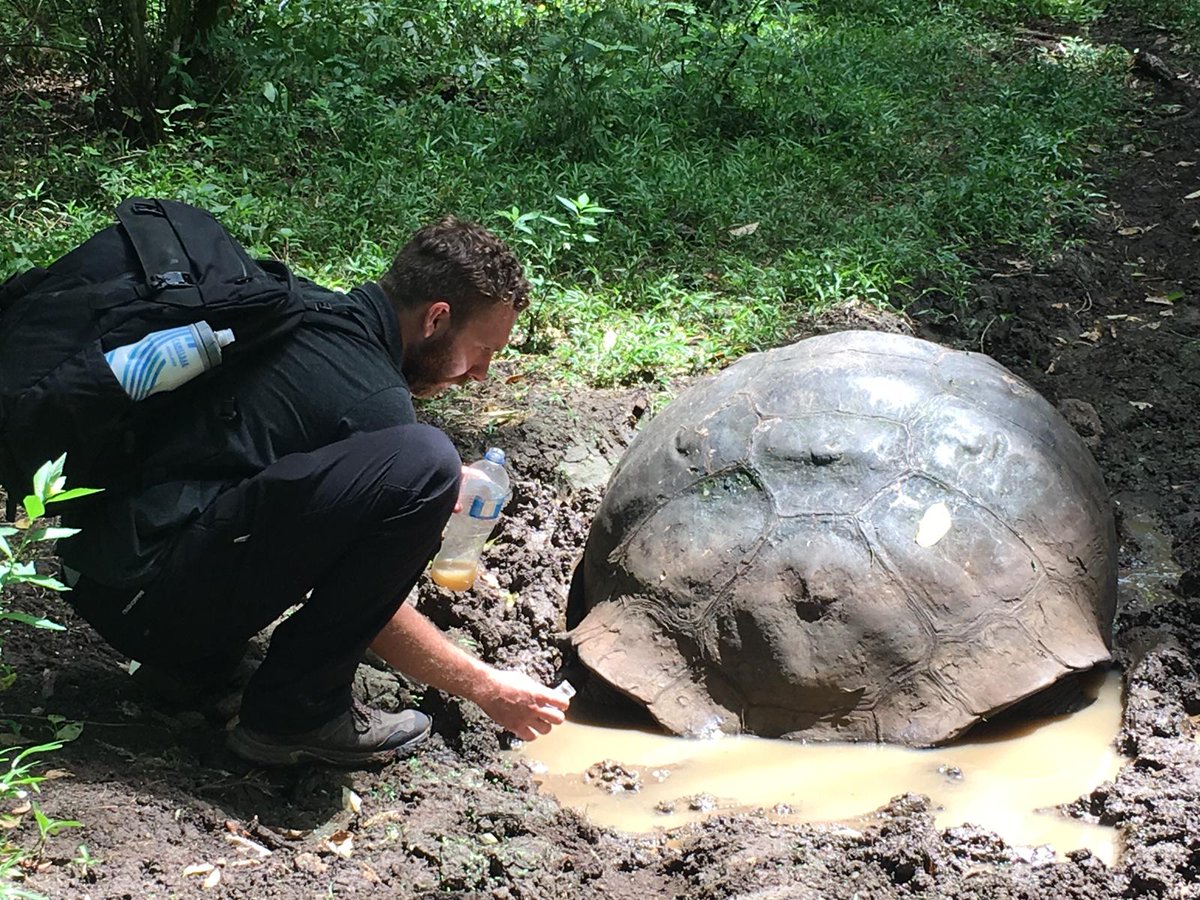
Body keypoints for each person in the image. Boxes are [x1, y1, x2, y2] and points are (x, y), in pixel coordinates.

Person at [56, 215, 571, 766]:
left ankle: (190, 670)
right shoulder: (373, 397)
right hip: (146, 605)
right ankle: (295, 717)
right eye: (482, 349)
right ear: (437, 318)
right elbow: (379, 616)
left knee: (419, 467)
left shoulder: (305, 311)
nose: (481, 374)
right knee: (429, 461)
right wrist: (486, 687)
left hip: (99, 571)